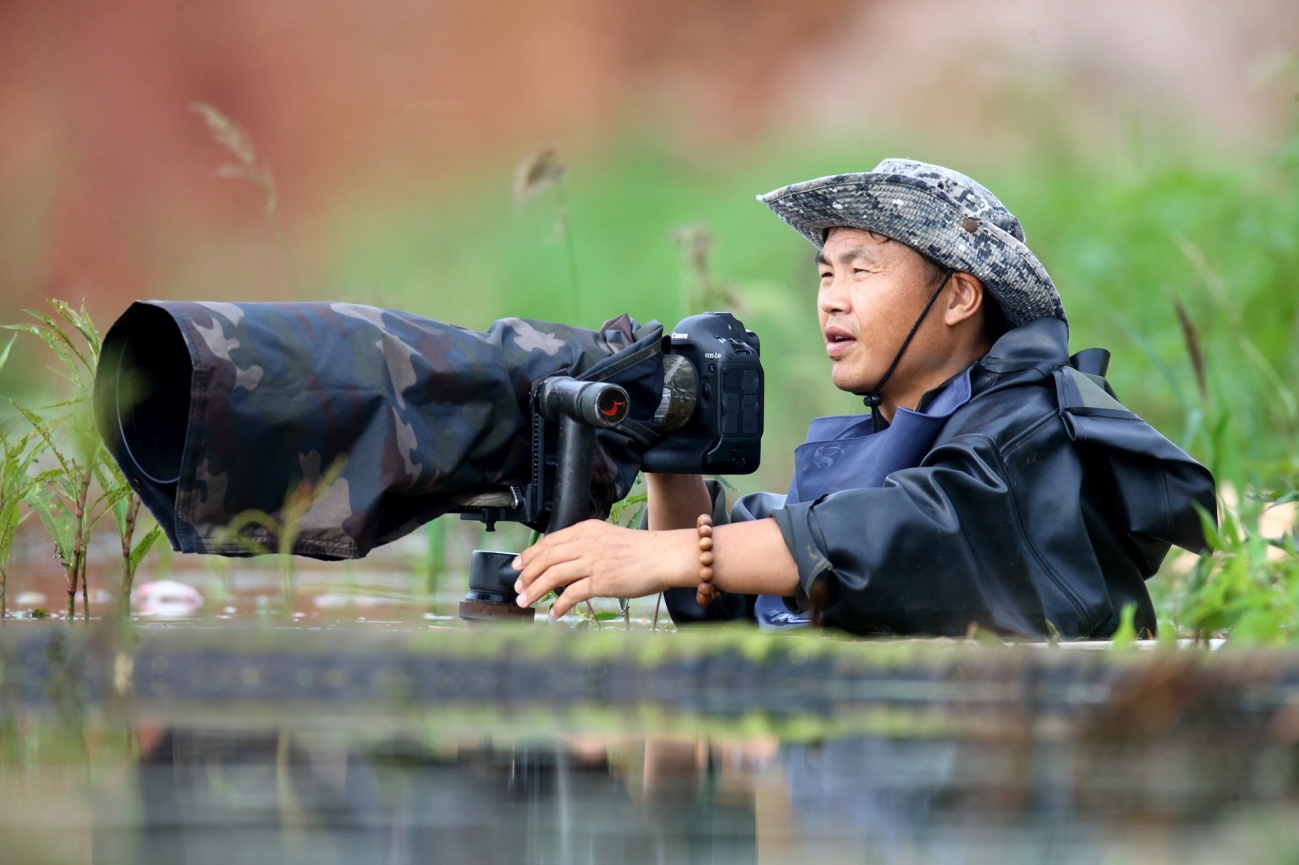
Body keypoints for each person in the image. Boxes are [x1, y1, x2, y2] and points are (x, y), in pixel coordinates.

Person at [511, 158, 1216, 638]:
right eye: (824, 274)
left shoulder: (1031, 428)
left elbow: (899, 532)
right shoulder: (894, 438)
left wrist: (664, 557)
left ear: (960, 296)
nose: (830, 301)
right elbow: (745, 584)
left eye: (860, 271)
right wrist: (671, 447)